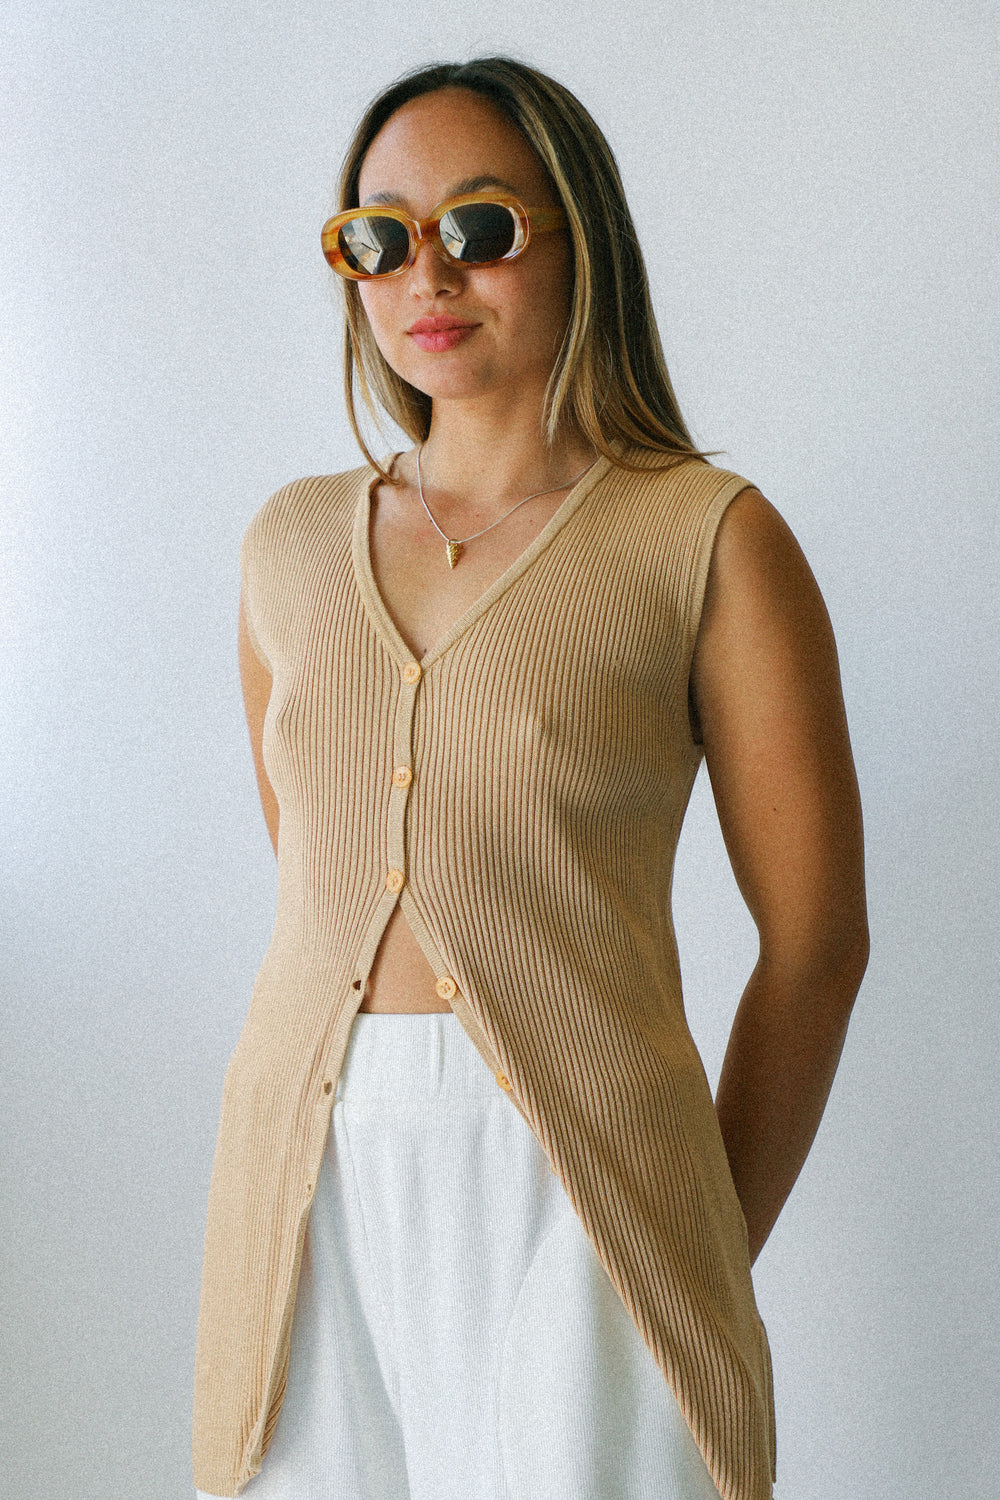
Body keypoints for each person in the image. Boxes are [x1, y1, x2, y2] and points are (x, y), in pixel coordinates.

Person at [193, 56, 869, 1500]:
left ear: (582, 240)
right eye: (378, 237)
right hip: (302, 1185)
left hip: (588, 1192)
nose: (426, 273)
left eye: (480, 226)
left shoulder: (705, 538)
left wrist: (691, 1243)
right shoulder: (288, 548)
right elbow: (323, 886)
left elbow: (817, 947)